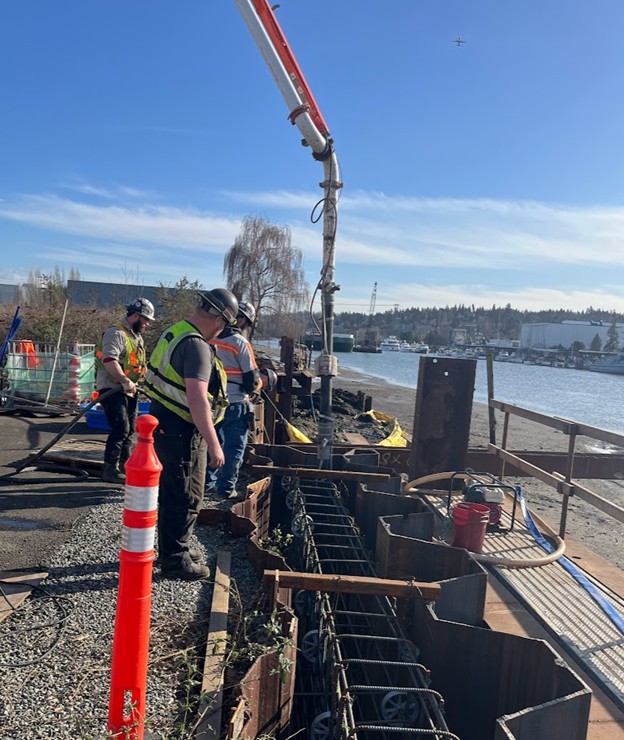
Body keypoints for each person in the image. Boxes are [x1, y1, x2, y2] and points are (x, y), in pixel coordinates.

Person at [142, 288, 238, 580]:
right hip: (182, 430)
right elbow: (197, 399)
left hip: (165, 423)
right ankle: (175, 560)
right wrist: (214, 444)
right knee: (185, 495)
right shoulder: (196, 346)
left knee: (173, 490)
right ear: (220, 319)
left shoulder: (177, 331)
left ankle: (176, 547)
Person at [95, 297, 154, 484]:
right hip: (113, 388)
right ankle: (109, 469)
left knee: (129, 431)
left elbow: (139, 364)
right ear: (135, 316)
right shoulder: (116, 333)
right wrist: (124, 380)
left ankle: (126, 466)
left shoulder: (136, 337)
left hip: (129, 389)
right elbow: (109, 360)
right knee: (121, 428)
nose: (147, 324)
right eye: (145, 320)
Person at [207, 300, 262, 499]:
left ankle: (207, 483)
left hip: (211, 402)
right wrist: (255, 389)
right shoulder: (240, 342)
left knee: (211, 443)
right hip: (235, 402)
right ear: (244, 321)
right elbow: (251, 378)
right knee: (234, 447)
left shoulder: (209, 338)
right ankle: (226, 489)